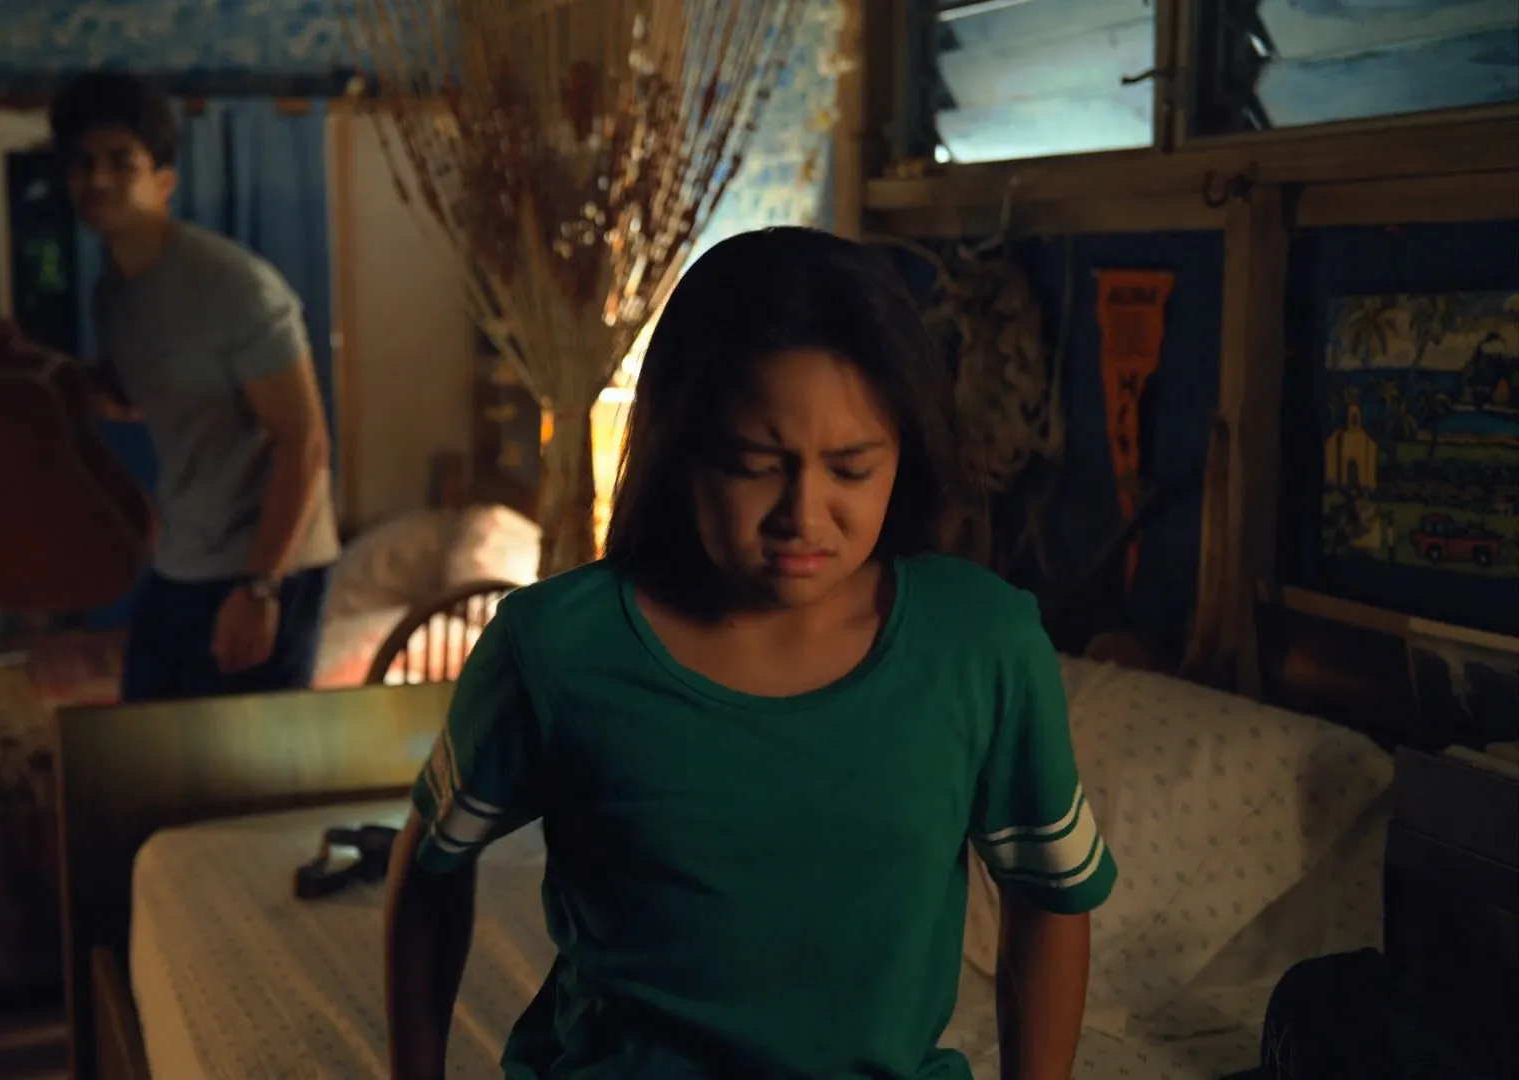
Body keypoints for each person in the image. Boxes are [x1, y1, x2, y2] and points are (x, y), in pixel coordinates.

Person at [385, 227, 1116, 1080]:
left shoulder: (982, 646)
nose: (803, 516)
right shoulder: (555, 647)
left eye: (851, 469)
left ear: (903, 455)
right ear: (681, 450)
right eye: (754, 465)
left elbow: (1050, 898)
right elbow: (431, 861)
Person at [46, 73, 340, 703]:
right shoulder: (114, 294)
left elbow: (305, 441)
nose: (98, 178)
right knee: (148, 736)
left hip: (271, 563)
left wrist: (260, 587)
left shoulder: (234, 286)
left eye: (121, 161)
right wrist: (27, 366)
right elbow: (132, 397)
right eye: (82, 162)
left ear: (164, 181)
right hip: (184, 555)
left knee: (246, 755)